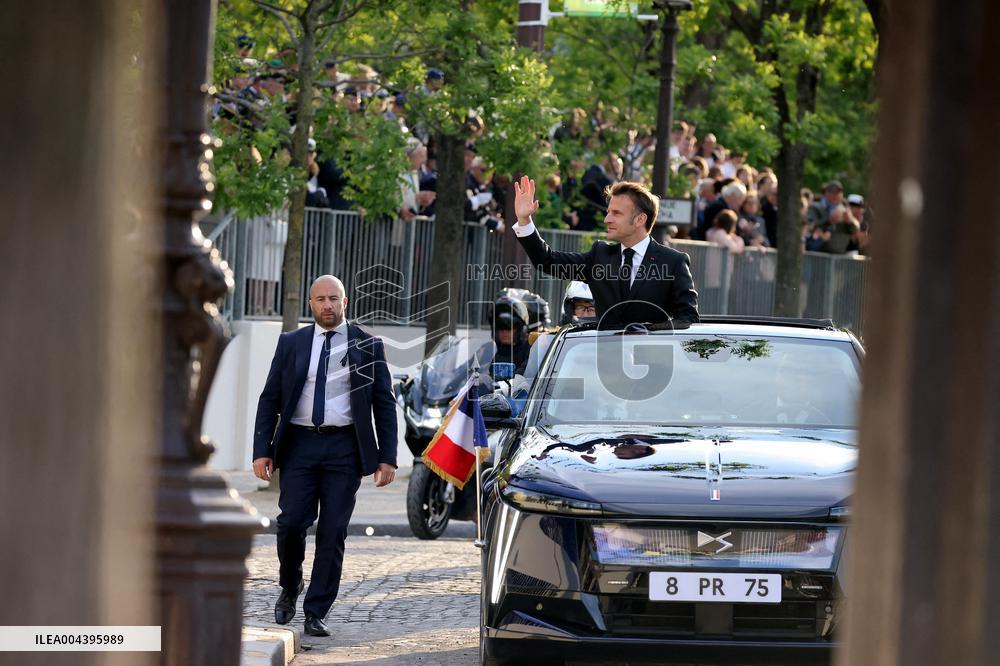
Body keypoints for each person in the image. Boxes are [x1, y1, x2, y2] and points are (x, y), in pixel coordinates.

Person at [252, 275, 397, 638]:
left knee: (332, 531)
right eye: (320, 300)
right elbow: (270, 398)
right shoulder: (292, 343)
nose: (327, 305)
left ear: (345, 302)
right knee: (290, 524)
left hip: (344, 449)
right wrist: (261, 451)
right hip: (299, 445)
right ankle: (290, 585)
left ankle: (316, 610)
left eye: (333, 298)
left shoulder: (369, 344)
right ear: (311, 304)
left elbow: (384, 403)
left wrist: (387, 457)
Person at [513, 175, 700, 328]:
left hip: (655, 367)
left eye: (616, 213)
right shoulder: (599, 255)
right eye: (608, 212)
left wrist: (649, 331)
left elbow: (688, 319)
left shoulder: (673, 262)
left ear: (640, 219)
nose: (607, 219)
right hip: (605, 366)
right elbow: (547, 261)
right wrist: (524, 220)